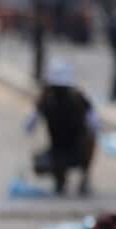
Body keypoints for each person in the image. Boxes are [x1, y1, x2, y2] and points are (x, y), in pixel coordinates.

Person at [26, 60, 99, 196]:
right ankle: (66, 177)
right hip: (62, 151)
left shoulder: (48, 100)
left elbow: (28, 126)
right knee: (90, 136)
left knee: (89, 138)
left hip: (69, 151)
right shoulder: (77, 99)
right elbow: (95, 123)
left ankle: (67, 178)